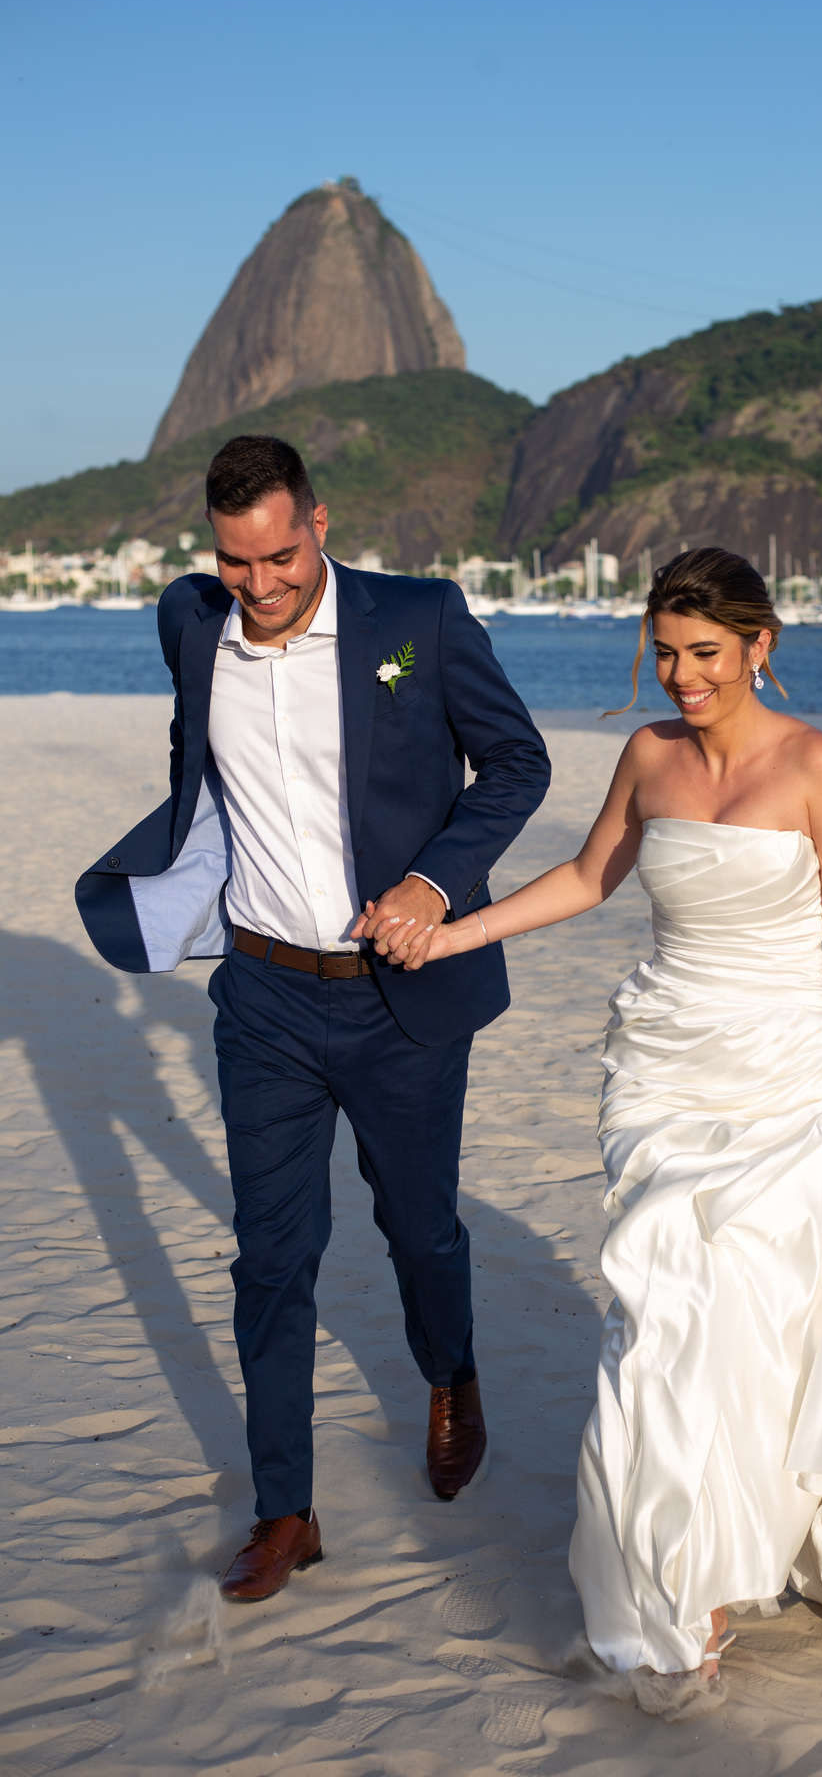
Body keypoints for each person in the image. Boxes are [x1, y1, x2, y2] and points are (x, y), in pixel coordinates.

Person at [372, 547, 822, 1681]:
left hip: (791, 1076)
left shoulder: (818, 766)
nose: (684, 676)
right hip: (665, 1077)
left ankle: (730, 1562)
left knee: (758, 1324)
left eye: (707, 653)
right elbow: (589, 877)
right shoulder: (649, 754)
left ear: (760, 646)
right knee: (667, 1316)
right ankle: (682, 1578)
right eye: (666, 653)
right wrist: (452, 933)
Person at [76, 435, 551, 1603]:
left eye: (280, 557)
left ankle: (451, 1373)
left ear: (320, 525)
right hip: (265, 997)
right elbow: (198, 764)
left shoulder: (418, 621)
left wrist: (433, 883)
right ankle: (284, 1509)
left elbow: (516, 764)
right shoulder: (192, 624)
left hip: (399, 993)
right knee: (272, 1258)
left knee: (420, 1229)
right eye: (236, 563)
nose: (261, 584)